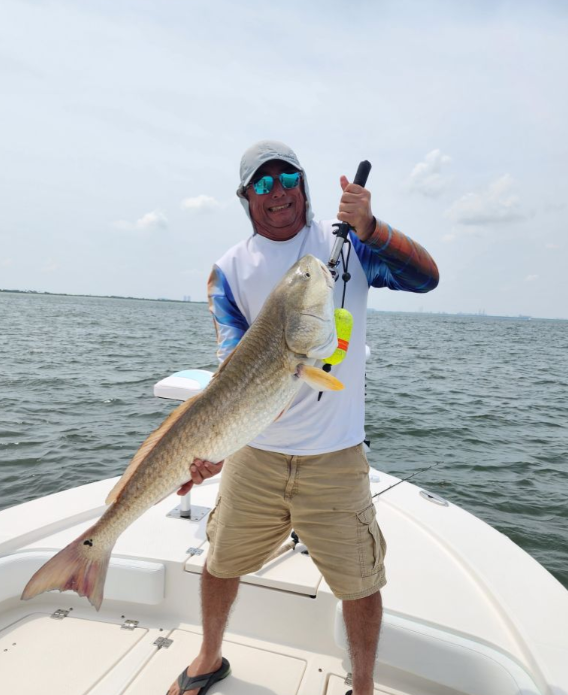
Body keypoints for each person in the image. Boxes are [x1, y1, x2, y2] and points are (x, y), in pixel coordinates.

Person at [168, 140, 439, 695]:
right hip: (257, 453)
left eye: (286, 178)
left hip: (336, 454)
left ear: (304, 184)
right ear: (245, 198)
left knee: (361, 584)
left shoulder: (345, 246)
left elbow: (425, 277)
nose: (277, 192)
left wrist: (371, 227)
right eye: (261, 184)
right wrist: (214, 447)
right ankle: (207, 656)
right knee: (220, 562)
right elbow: (233, 373)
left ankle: (361, 686)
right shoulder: (228, 270)